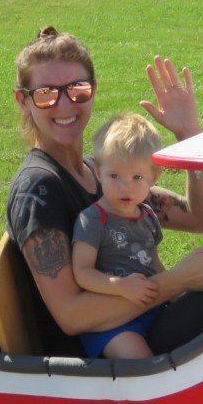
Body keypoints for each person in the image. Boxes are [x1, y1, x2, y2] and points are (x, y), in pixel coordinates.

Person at [6, 26, 203, 359]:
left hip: (149, 318)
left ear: (93, 90)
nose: (65, 104)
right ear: (23, 100)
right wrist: (178, 281)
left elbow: (201, 218)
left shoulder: (102, 173)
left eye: (77, 89)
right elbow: (70, 316)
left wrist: (189, 134)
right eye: (47, 93)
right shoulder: (38, 189)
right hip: (110, 352)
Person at [71, 113, 168, 359]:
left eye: (137, 177)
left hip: (151, 307)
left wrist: (175, 292)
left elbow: (154, 263)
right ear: (98, 172)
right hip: (112, 323)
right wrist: (121, 287)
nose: (125, 187)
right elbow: (82, 273)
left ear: (154, 177)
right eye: (114, 176)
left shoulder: (146, 215)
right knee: (141, 361)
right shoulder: (93, 219)